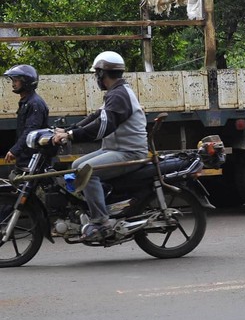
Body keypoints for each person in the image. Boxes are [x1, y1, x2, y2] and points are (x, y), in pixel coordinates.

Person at [51, 51, 148, 240]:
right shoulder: (116, 92)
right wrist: (68, 129)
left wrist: (71, 135)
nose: (96, 78)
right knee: (75, 166)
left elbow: (103, 126)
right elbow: (96, 117)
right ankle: (102, 204)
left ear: (102, 74)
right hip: (115, 148)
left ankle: (101, 221)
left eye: (97, 73)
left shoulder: (119, 95)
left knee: (87, 171)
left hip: (129, 152)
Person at [3, 64, 49, 174]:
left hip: (32, 158)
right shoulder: (27, 102)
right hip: (26, 157)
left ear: (26, 82)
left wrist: (15, 150)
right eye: (13, 80)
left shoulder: (34, 103)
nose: (13, 84)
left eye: (16, 80)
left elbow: (30, 130)